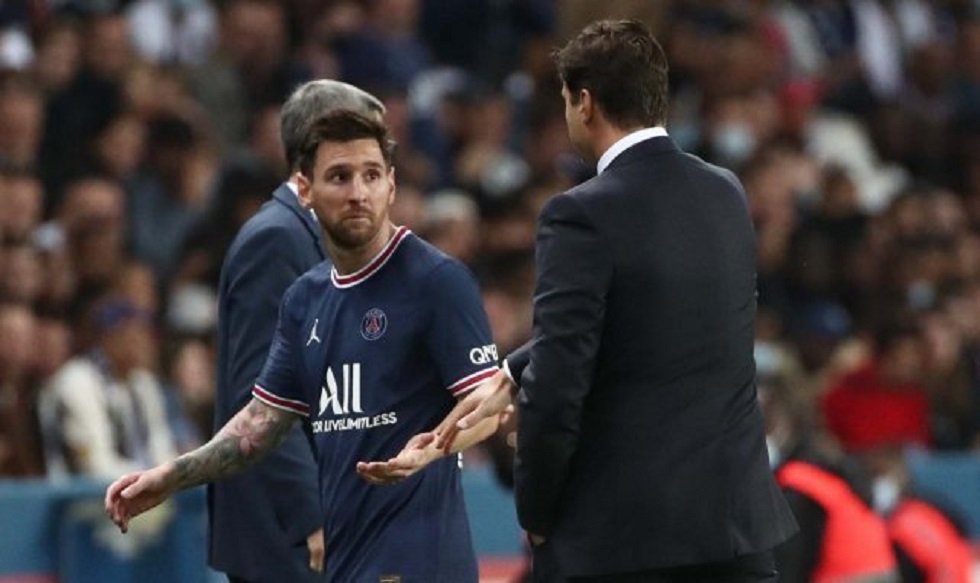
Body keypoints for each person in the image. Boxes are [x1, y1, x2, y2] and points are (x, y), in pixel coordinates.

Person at [435, 19, 798, 582]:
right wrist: (514, 366)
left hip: (624, 542)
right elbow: (669, 321)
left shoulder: (580, 213)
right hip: (734, 530)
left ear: (584, 103)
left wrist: (538, 511)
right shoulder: (725, 191)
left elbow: (558, 386)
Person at [106, 110, 501, 582]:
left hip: (420, 563)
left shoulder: (436, 280)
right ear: (306, 190)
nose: (358, 193)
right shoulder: (305, 298)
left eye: (371, 175)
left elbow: (491, 402)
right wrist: (170, 477)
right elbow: (260, 424)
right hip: (345, 565)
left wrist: (433, 449)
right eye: (340, 176)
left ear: (391, 186)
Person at [207, 79, 385, 583]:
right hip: (290, 536)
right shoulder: (276, 242)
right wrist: (312, 514)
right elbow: (261, 397)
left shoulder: (322, 236)